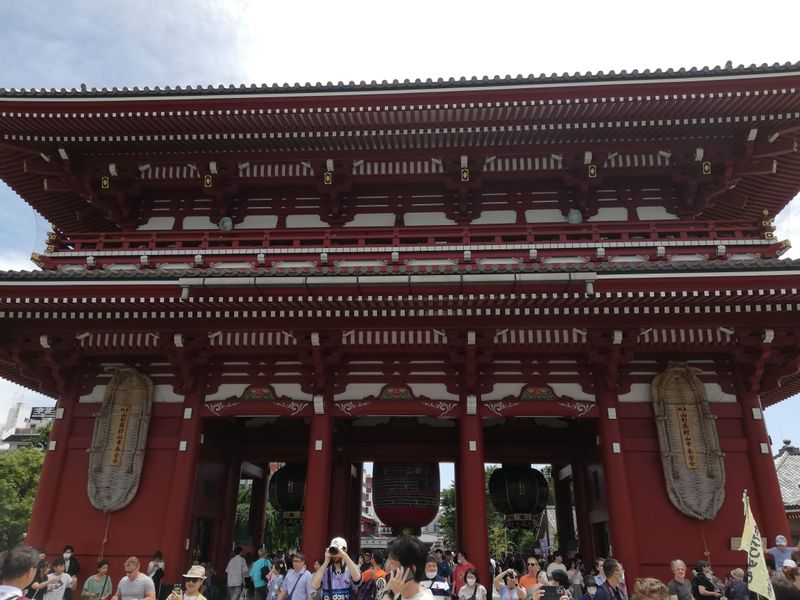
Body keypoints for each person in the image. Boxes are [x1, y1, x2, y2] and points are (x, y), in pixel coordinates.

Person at [380, 535, 432, 600]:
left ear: (410, 570)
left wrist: (390, 594)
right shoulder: (398, 595)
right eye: (388, 560)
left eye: (392, 562)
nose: (387, 567)